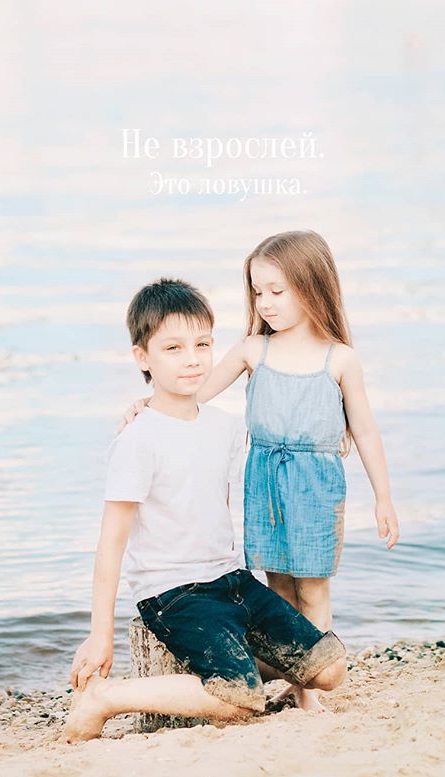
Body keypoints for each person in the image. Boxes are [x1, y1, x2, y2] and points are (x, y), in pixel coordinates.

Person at [120, 231, 400, 713]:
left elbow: (367, 432)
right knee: (278, 586)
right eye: (257, 290)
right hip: (264, 480)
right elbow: (195, 389)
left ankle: (306, 691)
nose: (264, 302)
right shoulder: (254, 350)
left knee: (313, 585)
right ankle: (288, 676)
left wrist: (384, 498)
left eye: (277, 290)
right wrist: (147, 406)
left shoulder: (340, 359)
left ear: (312, 286)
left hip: (316, 485)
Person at [64, 277, 346, 743]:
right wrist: (101, 635)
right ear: (143, 358)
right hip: (174, 591)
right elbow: (110, 547)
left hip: (230, 580)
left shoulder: (226, 428)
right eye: (172, 347)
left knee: (330, 670)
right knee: (236, 703)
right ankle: (106, 698)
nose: (192, 358)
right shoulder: (138, 440)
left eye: (202, 344)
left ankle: (239, 672)